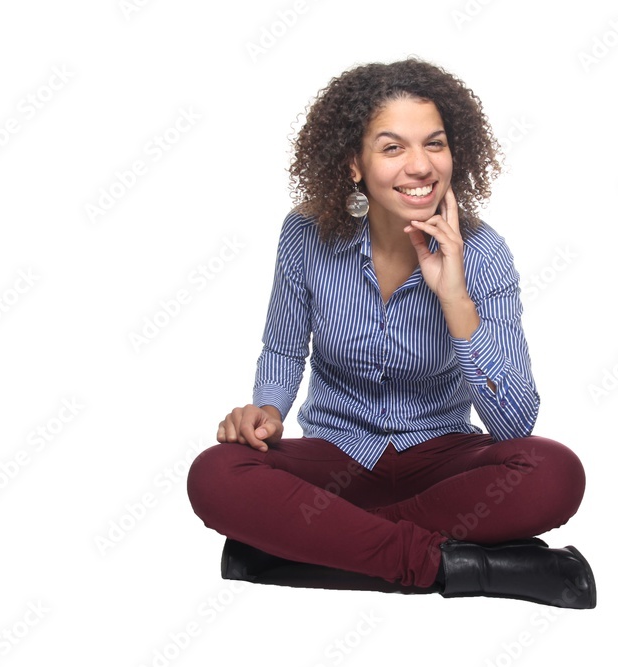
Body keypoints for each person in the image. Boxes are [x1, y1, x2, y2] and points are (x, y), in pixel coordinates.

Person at [186, 57, 595, 608]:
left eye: (435, 144)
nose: (421, 166)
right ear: (354, 163)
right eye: (393, 147)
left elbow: (515, 424)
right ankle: (463, 567)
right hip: (336, 461)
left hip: (444, 464)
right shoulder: (305, 234)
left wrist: (453, 294)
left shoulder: (484, 252)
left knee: (554, 473)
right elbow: (283, 348)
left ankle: (304, 547)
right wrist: (269, 410)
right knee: (216, 473)